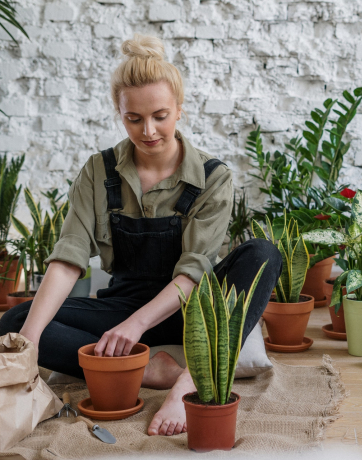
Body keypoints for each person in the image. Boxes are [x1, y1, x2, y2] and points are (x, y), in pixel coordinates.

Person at [0, 34, 282, 437]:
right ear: (119, 113)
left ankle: (190, 382)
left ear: (180, 110)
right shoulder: (98, 172)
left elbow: (192, 274)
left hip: (193, 310)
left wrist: (133, 327)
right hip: (124, 302)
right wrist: (27, 346)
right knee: (16, 320)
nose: (148, 131)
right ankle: (149, 369)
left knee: (264, 252)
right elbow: (68, 260)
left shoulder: (213, 178)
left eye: (160, 116)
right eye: (134, 119)